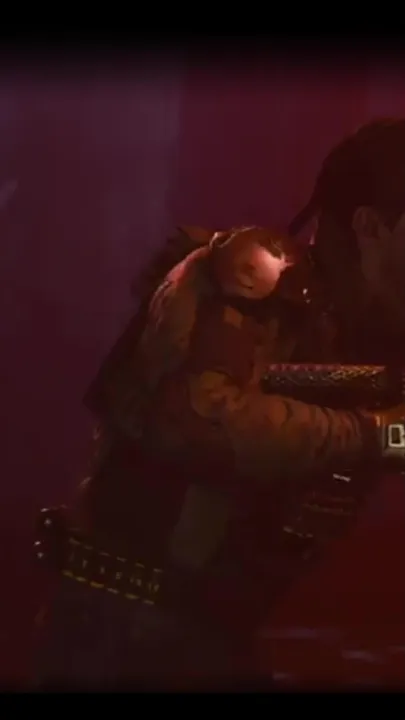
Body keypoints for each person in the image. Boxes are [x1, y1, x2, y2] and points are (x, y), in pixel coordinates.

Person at [33, 119, 405, 691]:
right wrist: (377, 435)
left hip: (217, 634)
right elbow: (198, 420)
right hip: (120, 631)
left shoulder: (369, 333)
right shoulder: (254, 279)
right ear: (371, 227)